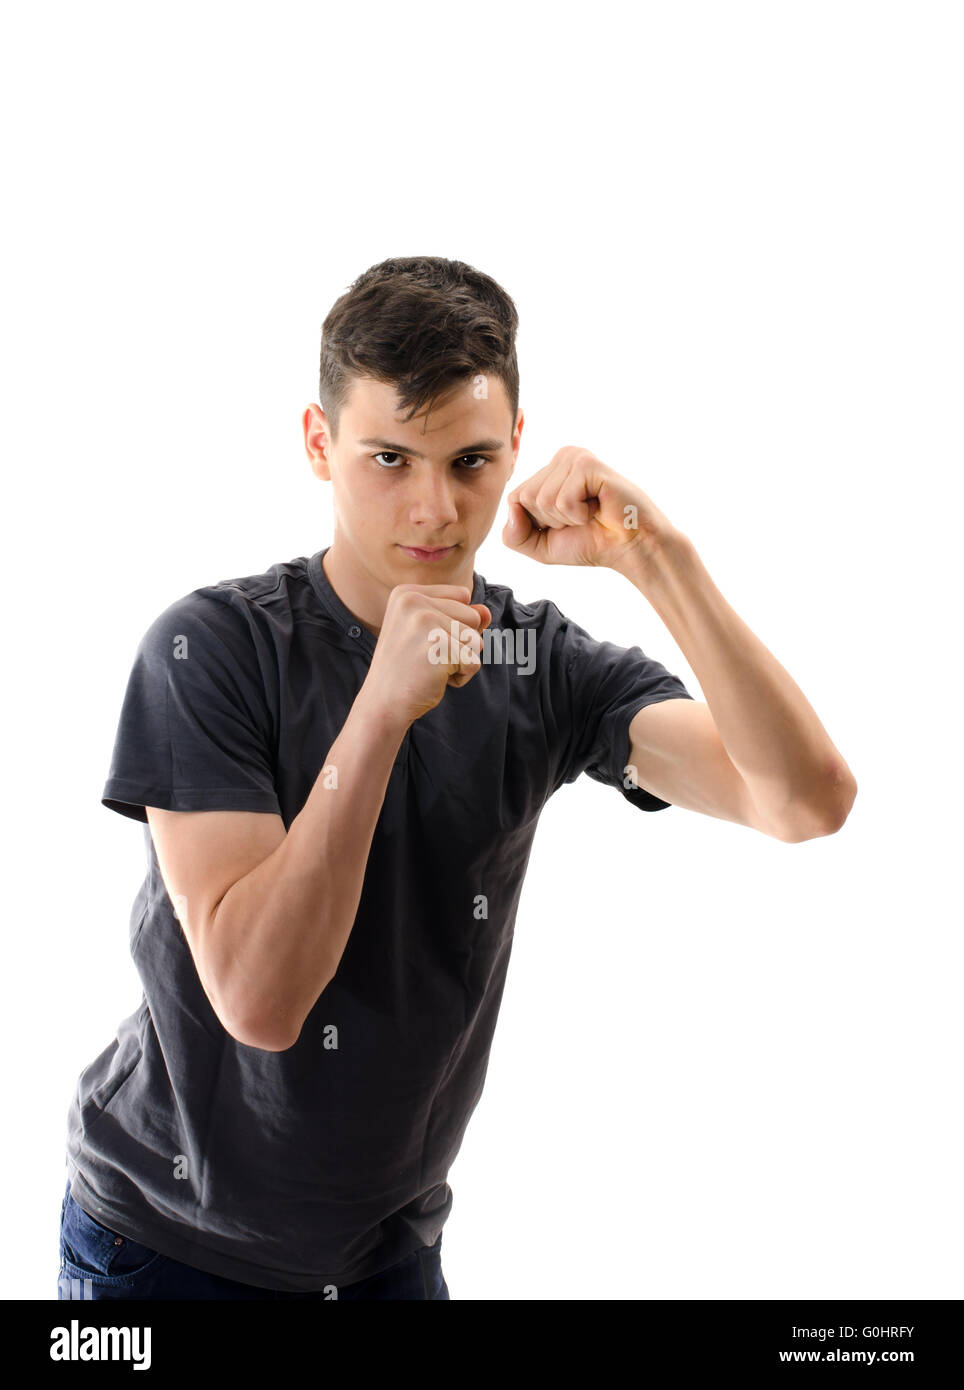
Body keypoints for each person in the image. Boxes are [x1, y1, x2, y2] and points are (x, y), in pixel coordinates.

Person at [59, 255, 857, 1301]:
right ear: (318, 444)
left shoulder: (543, 665)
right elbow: (260, 1000)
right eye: (388, 457)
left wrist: (651, 552)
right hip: (168, 1248)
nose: (434, 509)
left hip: (388, 1254)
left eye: (471, 461)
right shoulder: (210, 648)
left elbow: (801, 800)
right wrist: (381, 706)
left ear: (516, 445)